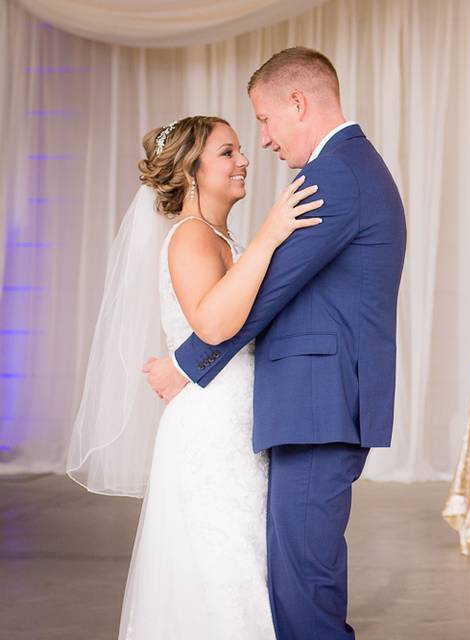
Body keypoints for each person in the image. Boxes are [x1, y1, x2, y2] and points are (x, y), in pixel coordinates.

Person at [143, 47, 407, 639]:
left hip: (317, 406)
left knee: (302, 585)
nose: (261, 141)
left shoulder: (334, 174)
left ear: (297, 102)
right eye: (238, 140)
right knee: (294, 577)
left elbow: (268, 292)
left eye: (263, 120)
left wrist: (188, 366)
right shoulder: (346, 166)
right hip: (312, 404)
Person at [69, 114, 324, 638]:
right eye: (227, 153)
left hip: (231, 418)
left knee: (241, 555)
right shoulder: (190, 237)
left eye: (239, 150)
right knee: (223, 560)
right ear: (191, 172)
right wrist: (271, 236)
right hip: (210, 428)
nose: (245, 159)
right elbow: (213, 324)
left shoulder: (216, 236)